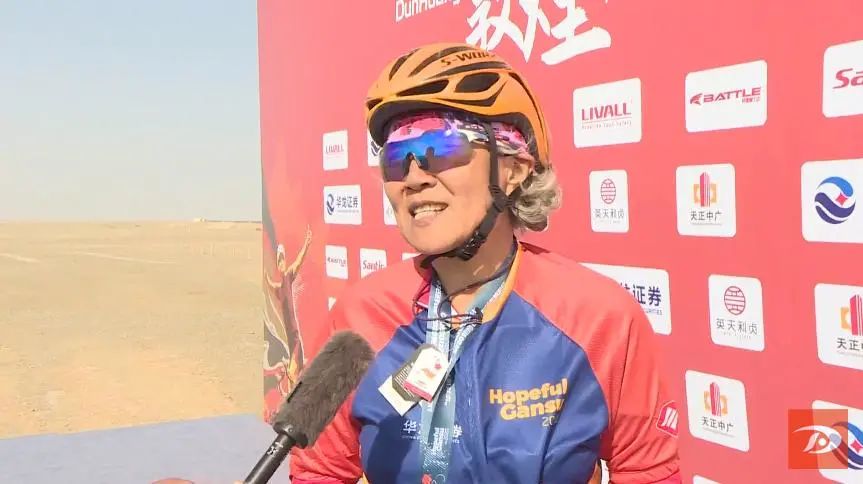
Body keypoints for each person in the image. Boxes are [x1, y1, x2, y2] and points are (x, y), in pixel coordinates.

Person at [290, 41, 681, 483]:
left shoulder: (599, 317)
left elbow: (648, 471)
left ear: (513, 168)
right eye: (397, 157)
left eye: (440, 147)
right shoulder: (358, 316)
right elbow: (318, 472)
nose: (414, 177)